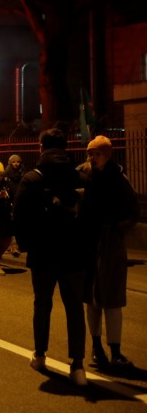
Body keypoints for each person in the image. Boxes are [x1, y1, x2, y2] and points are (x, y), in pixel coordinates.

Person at [12, 127, 90, 386]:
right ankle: (78, 366)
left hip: (42, 253)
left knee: (42, 304)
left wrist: (25, 245)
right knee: (75, 308)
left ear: (41, 147)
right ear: (66, 146)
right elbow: (91, 214)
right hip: (74, 253)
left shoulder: (32, 178)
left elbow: (19, 215)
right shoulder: (79, 177)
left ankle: (40, 355)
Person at [78, 135, 139, 370]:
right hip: (88, 246)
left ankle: (115, 351)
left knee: (112, 301)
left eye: (97, 153)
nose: (92, 157)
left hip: (111, 247)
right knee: (91, 301)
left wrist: (116, 231)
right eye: (90, 153)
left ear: (107, 154)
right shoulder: (83, 176)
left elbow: (133, 211)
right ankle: (96, 348)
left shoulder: (119, 180)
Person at [4, 154, 25, 257]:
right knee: (11, 225)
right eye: (14, 162)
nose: (16, 164)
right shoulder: (7, 176)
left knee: (19, 224)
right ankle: (13, 246)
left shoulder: (23, 174)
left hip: (20, 202)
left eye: (18, 162)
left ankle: (18, 245)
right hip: (10, 203)